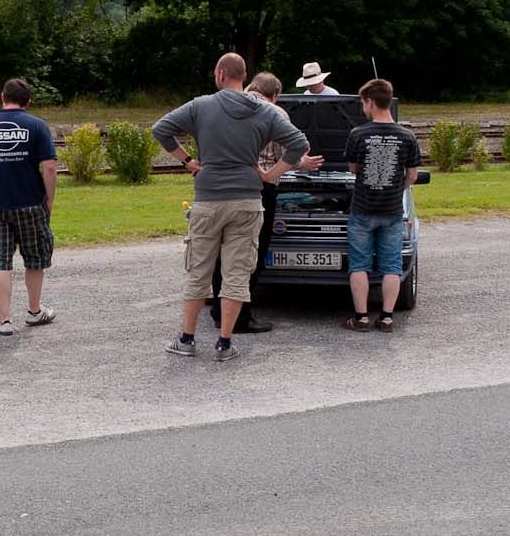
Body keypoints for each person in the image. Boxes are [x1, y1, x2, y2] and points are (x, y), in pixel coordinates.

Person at [152, 52, 311, 360]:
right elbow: (299, 144)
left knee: (199, 271)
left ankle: (187, 339)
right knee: (237, 274)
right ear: (244, 76)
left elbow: (161, 129)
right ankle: (224, 343)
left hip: (208, 199)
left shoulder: (200, 106)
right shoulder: (266, 111)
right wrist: (270, 175)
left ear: (220, 74)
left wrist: (188, 161)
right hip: (248, 201)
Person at [224, 71, 324, 334]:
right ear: (275, 95)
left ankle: (219, 311)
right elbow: (290, 151)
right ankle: (241, 316)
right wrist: (301, 164)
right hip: (259, 187)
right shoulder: (275, 113)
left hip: (224, 185)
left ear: (252, 86)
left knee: (225, 250)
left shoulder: (225, 105)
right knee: (251, 252)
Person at [0, 78, 59, 337]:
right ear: (28, 102)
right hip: (31, 204)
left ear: (2, 97)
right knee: (34, 259)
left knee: (0, 262)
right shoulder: (37, 126)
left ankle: (4, 320)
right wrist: (49, 199)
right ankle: (34, 311)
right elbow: (49, 167)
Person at [342, 79, 421, 332]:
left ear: (370, 102)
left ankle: (361, 318)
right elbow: (412, 175)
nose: (362, 107)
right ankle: (386, 318)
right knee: (392, 265)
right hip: (392, 211)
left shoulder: (358, 134)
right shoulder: (407, 136)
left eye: (362, 103)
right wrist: (397, 189)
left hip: (362, 210)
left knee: (359, 264)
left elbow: (353, 169)